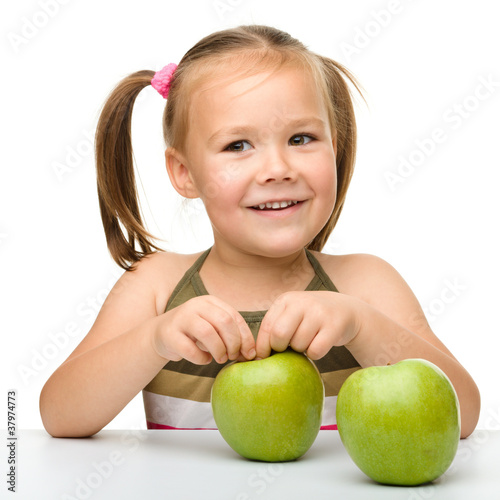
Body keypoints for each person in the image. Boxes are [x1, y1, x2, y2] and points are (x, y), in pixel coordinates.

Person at [39, 25, 480, 439]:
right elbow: (60, 416)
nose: (277, 169)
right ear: (184, 172)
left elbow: (462, 415)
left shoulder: (365, 285)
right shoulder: (157, 288)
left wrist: (364, 326)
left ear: (336, 147)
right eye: (238, 145)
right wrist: (153, 340)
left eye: (302, 138)